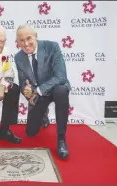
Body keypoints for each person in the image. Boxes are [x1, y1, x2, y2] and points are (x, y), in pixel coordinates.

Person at [14, 24, 71, 159]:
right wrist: (26, 90)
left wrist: (37, 90)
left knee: (61, 91)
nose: (26, 43)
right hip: (39, 95)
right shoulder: (18, 57)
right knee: (31, 132)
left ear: (36, 36)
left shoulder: (52, 47)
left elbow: (61, 76)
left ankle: (61, 139)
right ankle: (43, 117)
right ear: (17, 42)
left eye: (29, 38)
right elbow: (23, 82)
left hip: (55, 88)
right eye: (21, 40)